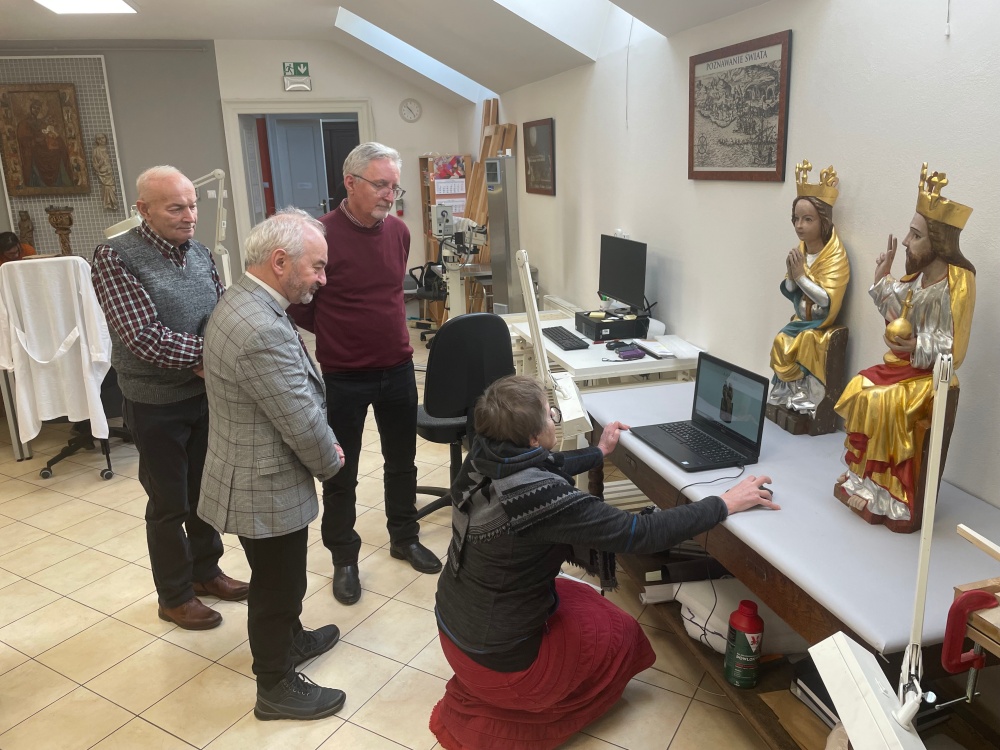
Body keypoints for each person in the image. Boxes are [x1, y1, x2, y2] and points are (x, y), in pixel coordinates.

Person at [431, 375, 779, 749]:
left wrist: (599, 452)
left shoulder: (484, 455)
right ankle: (527, 712)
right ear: (532, 438)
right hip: (504, 663)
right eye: (550, 415)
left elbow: (550, 462)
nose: (554, 418)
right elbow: (640, 533)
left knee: (584, 599)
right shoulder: (537, 498)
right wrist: (723, 503)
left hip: (456, 630)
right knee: (621, 633)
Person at [199, 208, 347, 721]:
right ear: (280, 261)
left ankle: (291, 640)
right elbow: (299, 419)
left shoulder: (242, 300)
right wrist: (330, 459)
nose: (322, 279)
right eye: (317, 267)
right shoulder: (260, 327)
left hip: (248, 466)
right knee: (277, 586)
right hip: (264, 481)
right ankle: (275, 685)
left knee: (276, 575)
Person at [91, 165, 248, 631]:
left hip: (203, 394)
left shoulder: (199, 253)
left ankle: (206, 572)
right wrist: (208, 356)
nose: (190, 216)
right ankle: (175, 596)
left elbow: (218, 314)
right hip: (154, 401)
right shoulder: (115, 256)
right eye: (176, 207)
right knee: (168, 504)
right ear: (144, 209)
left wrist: (213, 355)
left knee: (205, 492)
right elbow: (143, 336)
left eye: (193, 205)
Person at [288, 142, 439, 606]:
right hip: (345, 375)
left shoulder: (399, 232)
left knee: (402, 463)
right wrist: (339, 329)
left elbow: (390, 293)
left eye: (394, 187)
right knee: (341, 470)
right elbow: (299, 302)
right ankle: (344, 558)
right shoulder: (319, 236)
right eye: (381, 185)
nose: (390, 195)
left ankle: (404, 537)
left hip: (398, 368)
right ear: (350, 182)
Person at [834, 163, 975, 524]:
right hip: (905, 368)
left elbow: (955, 347)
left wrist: (917, 345)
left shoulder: (956, 282)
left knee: (883, 400)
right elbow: (897, 304)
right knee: (861, 386)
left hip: (931, 377)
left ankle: (888, 493)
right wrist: (882, 277)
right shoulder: (917, 278)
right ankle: (861, 478)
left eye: (916, 235)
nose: (908, 242)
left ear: (938, 243)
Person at [768, 161, 850, 413]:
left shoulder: (835, 256)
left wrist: (801, 277)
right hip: (800, 321)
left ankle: (804, 394)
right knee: (781, 340)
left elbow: (826, 300)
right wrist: (793, 276)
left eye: (807, 219)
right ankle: (786, 390)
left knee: (805, 341)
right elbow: (791, 289)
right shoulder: (801, 251)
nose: (799, 225)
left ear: (823, 221)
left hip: (818, 326)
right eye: (796, 219)